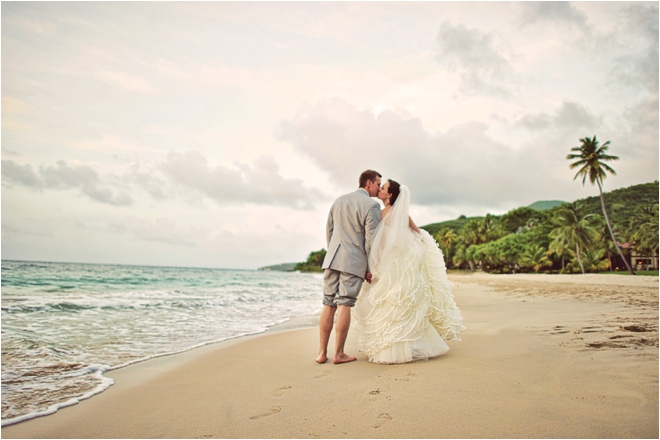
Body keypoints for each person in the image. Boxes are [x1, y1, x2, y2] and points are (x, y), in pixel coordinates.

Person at [354, 179, 465, 364]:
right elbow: (420, 236)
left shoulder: (379, 214)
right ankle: (405, 345)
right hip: (399, 265)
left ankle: (391, 348)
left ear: (389, 195)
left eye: (383, 188)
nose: (380, 189)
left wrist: (373, 264)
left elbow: (376, 243)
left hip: (389, 264)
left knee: (391, 302)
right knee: (400, 303)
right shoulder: (402, 215)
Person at [317, 170, 382, 364]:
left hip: (332, 258)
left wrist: (333, 252)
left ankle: (321, 353)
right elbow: (371, 241)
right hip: (353, 260)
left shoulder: (339, 200)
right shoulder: (372, 205)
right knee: (344, 302)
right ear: (368, 183)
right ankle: (338, 354)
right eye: (378, 184)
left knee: (328, 302)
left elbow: (329, 229)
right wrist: (369, 267)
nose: (379, 188)